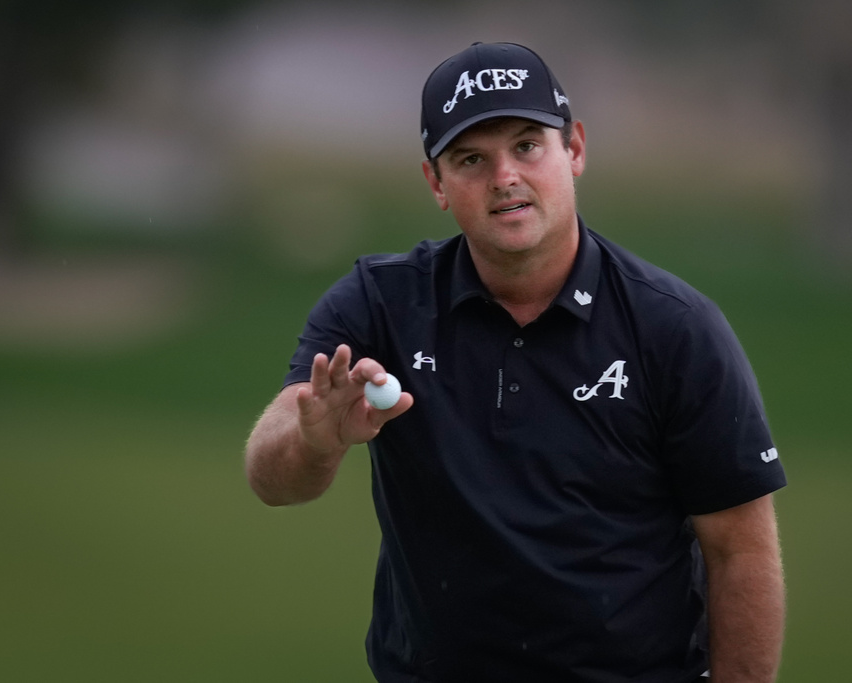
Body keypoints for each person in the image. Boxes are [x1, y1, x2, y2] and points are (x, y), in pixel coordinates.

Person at [245, 42, 787, 683]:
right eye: (471, 158)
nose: (504, 176)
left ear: (575, 151)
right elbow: (271, 478)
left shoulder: (673, 326)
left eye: (527, 145)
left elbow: (741, 552)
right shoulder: (380, 304)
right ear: (437, 184)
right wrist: (315, 443)